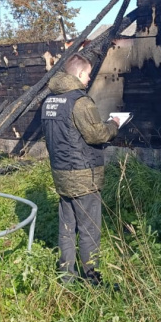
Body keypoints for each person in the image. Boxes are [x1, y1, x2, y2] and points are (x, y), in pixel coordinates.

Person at [40, 53, 119, 285]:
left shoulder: (49, 102)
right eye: (87, 74)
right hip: (84, 176)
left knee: (66, 228)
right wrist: (113, 125)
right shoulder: (80, 102)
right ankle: (93, 280)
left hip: (61, 175)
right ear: (79, 74)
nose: (89, 78)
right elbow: (97, 135)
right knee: (89, 230)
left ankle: (67, 278)